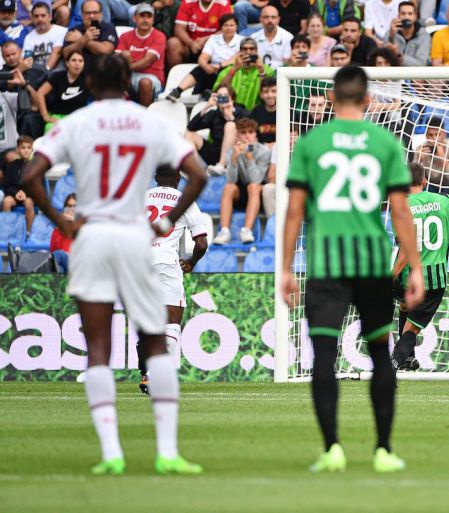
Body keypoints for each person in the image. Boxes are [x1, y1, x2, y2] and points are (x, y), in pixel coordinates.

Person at [21, 53, 207, 475]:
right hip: (135, 238)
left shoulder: (76, 123)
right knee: (157, 343)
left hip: (93, 237)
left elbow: (31, 176)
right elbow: (197, 173)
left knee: (100, 348)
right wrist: (169, 222)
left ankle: (111, 454)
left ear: (88, 81)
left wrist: (62, 223)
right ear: (127, 82)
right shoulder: (150, 124)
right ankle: (167, 451)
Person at [281, 65, 424, 474]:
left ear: (330, 98)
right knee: (380, 353)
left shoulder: (312, 142)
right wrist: (413, 268)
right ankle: (382, 450)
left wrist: (287, 267)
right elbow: (400, 211)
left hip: (327, 261)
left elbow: (294, 210)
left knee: (323, 355)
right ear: (366, 100)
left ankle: (332, 449)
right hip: (371, 262)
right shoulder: (384, 142)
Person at [391, 162, 449, 371]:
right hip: (434, 278)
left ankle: (405, 359)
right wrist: (447, 216)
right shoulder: (443, 200)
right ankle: (394, 363)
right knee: (411, 330)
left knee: (405, 306)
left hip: (408, 276)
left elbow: (404, 250)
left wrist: (391, 276)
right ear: (424, 181)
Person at [138, 166, 209, 395]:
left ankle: (147, 368)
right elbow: (201, 244)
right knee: (171, 322)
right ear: (179, 178)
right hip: (166, 264)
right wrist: (191, 263)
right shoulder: (185, 200)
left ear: (155, 177)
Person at [212, 118, 270, 245]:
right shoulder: (231, 151)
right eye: (243, 132)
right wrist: (233, 159)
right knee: (229, 188)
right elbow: (231, 180)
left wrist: (249, 158)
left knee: (253, 187)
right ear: (238, 135)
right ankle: (224, 231)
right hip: (241, 191)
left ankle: (246, 230)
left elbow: (256, 179)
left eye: (250, 132)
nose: (247, 136)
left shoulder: (264, 152)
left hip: (257, 193)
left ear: (255, 134)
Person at [166, 14, 242, 102]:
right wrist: (205, 66)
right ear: (221, 27)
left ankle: (210, 93)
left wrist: (220, 65)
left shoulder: (241, 40)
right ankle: (177, 91)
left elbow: (237, 56)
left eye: (232, 25)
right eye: (226, 25)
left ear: (236, 26)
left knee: (223, 72)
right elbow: (203, 57)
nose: (229, 28)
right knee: (200, 69)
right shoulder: (213, 39)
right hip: (214, 68)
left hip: (231, 68)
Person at [185, 84, 247, 174]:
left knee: (230, 125)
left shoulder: (241, 111)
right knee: (189, 135)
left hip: (235, 152)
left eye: (225, 96)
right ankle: (196, 170)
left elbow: (247, 134)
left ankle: (221, 166)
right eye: (219, 96)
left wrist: (231, 117)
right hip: (215, 152)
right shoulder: (214, 113)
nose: (222, 99)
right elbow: (190, 127)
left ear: (232, 98)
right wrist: (207, 106)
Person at [117, 4, 166, 107]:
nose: (145, 19)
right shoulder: (125, 36)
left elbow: (147, 61)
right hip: (129, 75)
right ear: (134, 18)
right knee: (123, 56)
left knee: (145, 82)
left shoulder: (159, 36)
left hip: (152, 77)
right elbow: (117, 60)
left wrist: (126, 70)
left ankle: (145, 117)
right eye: (142, 16)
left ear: (153, 19)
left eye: (149, 16)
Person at [32, 49, 89, 132]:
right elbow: (40, 92)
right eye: (73, 60)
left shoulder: (88, 79)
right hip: (58, 116)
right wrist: (45, 116)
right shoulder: (57, 76)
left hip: (78, 117)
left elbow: (99, 96)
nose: (77, 63)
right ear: (67, 63)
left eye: (80, 61)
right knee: (50, 128)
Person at [166, 0, 232, 69]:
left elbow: (227, 29)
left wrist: (206, 39)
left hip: (213, 45)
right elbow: (179, 29)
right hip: (190, 44)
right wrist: (191, 44)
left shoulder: (224, 3)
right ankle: (175, 77)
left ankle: (218, 76)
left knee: (228, 42)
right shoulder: (187, 2)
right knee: (173, 43)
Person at [214, 37, 275, 111]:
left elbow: (269, 97)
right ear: (239, 52)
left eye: (252, 49)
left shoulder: (268, 71)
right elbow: (218, 92)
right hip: (231, 112)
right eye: (244, 49)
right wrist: (234, 68)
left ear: (257, 51)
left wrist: (261, 71)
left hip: (256, 114)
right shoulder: (228, 70)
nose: (248, 52)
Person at [62, 0, 118, 67]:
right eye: (88, 13)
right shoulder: (74, 30)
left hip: (103, 71)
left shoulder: (108, 27)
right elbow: (66, 54)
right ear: (82, 15)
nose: (91, 16)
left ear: (101, 14)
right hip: (80, 71)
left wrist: (82, 39)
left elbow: (105, 51)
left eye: (95, 12)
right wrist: (83, 40)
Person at [415, 115, 449, 189]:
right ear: (426, 135)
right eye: (430, 135)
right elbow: (413, 178)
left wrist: (443, 158)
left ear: (444, 134)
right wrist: (419, 160)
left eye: (437, 134)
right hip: (428, 186)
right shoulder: (421, 148)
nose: (434, 139)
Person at [1, 135, 35, 233]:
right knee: (7, 201)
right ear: (18, 150)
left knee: (28, 203)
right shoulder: (11, 165)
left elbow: (38, 186)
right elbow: (7, 185)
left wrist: (26, 194)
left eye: (29, 148)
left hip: (30, 196)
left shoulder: (36, 166)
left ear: (32, 149)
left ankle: (29, 232)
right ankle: (8, 231)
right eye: (23, 148)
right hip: (14, 195)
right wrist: (16, 193)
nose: (26, 150)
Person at [22, 0, 67, 70]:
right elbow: (27, 60)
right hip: (36, 74)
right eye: (36, 16)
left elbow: (57, 52)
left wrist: (45, 71)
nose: (40, 19)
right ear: (32, 18)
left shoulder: (62, 31)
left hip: (57, 75)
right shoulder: (28, 38)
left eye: (43, 15)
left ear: (50, 17)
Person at [387, 0, 431, 66]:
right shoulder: (391, 32)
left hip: (415, 75)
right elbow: (385, 59)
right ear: (398, 16)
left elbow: (421, 64)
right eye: (403, 13)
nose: (406, 17)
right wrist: (391, 37)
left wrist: (399, 55)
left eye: (410, 14)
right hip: (393, 74)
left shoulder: (424, 36)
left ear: (415, 17)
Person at [50, 191, 75, 271]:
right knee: (59, 268)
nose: (72, 210)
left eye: (75, 206)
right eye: (69, 206)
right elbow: (53, 252)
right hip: (65, 266)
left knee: (59, 254)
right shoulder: (58, 231)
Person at [250, 76, 276, 146]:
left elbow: (294, 137)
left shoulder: (289, 112)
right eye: (266, 92)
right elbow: (249, 137)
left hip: (283, 151)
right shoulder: (255, 112)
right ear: (261, 94)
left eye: (274, 91)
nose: (270, 95)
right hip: (260, 151)